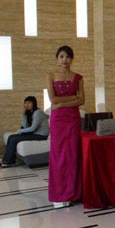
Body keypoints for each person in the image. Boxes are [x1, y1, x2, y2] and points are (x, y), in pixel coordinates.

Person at [46, 45, 85, 208]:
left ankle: (73, 193)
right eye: (61, 56)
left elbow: (81, 100)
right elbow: (53, 99)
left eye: (68, 56)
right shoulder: (50, 76)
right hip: (58, 120)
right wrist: (71, 98)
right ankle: (59, 194)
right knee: (58, 155)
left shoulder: (78, 77)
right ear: (57, 59)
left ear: (72, 59)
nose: (65, 60)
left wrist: (62, 103)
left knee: (73, 154)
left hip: (73, 119)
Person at [2, 96, 49, 167]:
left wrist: (20, 131)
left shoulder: (38, 112)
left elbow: (32, 128)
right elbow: (25, 126)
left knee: (14, 139)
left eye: (29, 103)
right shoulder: (30, 112)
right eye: (25, 103)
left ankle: (8, 161)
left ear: (34, 103)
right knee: (11, 137)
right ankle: (8, 160)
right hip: (35, 134)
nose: (27, 105)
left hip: (41, 135)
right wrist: (24, 114)